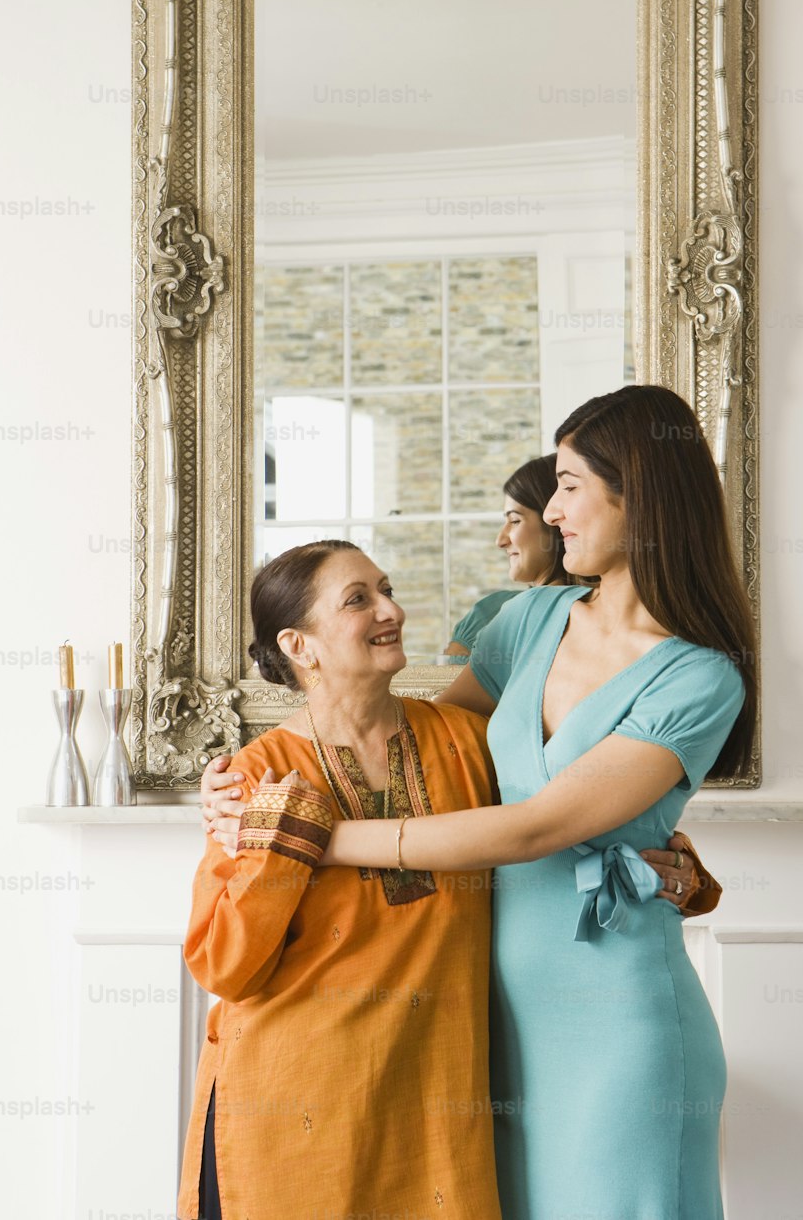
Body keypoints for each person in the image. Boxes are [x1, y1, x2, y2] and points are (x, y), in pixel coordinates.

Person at [207, 384, 754, 1219]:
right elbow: (430, 746)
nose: (553, 510)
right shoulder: (526, 621)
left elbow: (538, 824)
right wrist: (242, 787)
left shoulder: (700, 673)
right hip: (490, 1024)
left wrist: (309, 836)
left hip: (617, 1013)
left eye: (569, 485)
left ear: (635, 492)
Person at [177, 539, 503, 1220]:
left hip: (430, 1100)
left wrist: (667, 864)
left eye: (386, 589)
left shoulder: (466, 742)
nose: (392, 610)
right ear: (300, 645)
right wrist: (287, 840)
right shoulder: (255, 776)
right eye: (359, 600)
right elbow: (224, 965)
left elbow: (551, 829)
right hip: (291, 1102)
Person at [444, 452, 572, 663]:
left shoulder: (595, 616)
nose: (500, 541)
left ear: (555, 522)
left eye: (514, 521)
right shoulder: (489, 611)